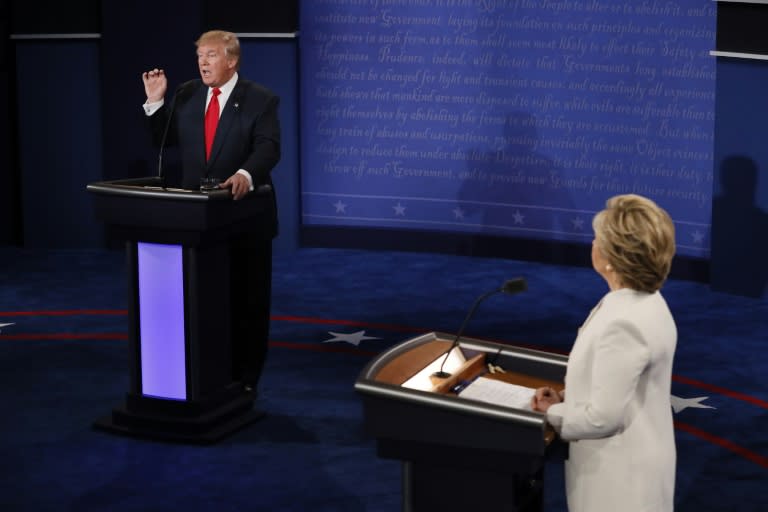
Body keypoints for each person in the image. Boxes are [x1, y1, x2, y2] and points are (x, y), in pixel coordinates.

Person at [141, 30, 281, 395]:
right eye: (200, 55)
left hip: (244, 218)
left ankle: (246, 379)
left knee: (247, 302)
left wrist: (245, 174)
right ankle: (207, 373)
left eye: (212, 55)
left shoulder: (260, 99)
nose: (203, 62)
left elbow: (268, 148)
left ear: (232, 60)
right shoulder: (188, 95)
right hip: (197, 221)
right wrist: (155, 103)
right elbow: (163, 140)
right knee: (205, 303)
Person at [531, 194, 677, 512]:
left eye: (598, 239)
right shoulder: (649, 303)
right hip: (637, 463)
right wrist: (568, 398)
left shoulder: (623, 322)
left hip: (619, 482)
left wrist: (549, 415)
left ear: (611, 258)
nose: (592, 245)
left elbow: (603, 419)